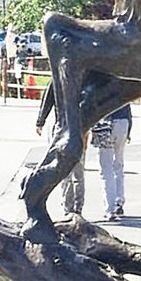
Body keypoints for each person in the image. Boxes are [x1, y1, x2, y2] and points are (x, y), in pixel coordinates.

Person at [35, 82, 88, 215]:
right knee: (74, 172)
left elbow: (47, 100)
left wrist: (40, 121)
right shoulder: (78, 80)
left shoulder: (60, 81)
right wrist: (40, 120)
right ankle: (74, 207)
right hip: (75, 127)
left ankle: (71, 207)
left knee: (71, 172)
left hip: (68, 127)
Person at [93, 104, 132, 222]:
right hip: (123, 120)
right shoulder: (123, 84)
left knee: (106, 168)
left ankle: (110, 209)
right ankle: (119, 201)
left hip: (105, 122)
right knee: (118, 164)